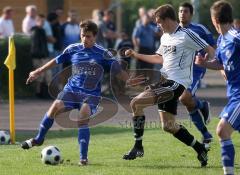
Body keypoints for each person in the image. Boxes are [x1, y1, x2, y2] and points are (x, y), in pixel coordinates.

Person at [20, 20, 132, 166]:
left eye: (89, 36)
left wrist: (132, 82)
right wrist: (38, 71)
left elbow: (119, 72)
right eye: (83, 35)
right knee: (55, 107)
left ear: (95, 36)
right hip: (71, 90)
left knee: (84, 113)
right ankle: (39, 139)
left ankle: (83, 158)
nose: (85, 39)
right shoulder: (73, 49)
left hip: (91, 94)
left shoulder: (103, 54)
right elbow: (56, 60)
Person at [122, 4, 215, 167]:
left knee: (135, 103)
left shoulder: (187, 34)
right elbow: (159, 58)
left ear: (167, 20)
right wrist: (136, 54)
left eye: (159, 22)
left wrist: (206, 61)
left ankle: (138, 147)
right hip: (165, 82)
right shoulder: (165, 37)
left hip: (177, 83)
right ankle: (200, 148)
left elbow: (209, 49)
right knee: (168, 126)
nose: (157, 25)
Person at [196, 1, 240, 174]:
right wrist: (205, 63)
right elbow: (220, 63)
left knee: (222, 130)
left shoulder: (236, 37)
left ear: (214, 19)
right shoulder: (222, 40)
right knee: (223, 132)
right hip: (234, 95)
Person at [178, 2, 216, 148]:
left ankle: (202, 105)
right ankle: (206, 134)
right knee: (188, 103)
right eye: (180, 11)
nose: (182, 14)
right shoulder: (174, 30)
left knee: (184, 97)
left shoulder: (199, 29)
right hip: (179, 71)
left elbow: (213, 46)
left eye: (186, 11)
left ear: (191, 14)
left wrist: (207, 59)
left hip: (195, 69)